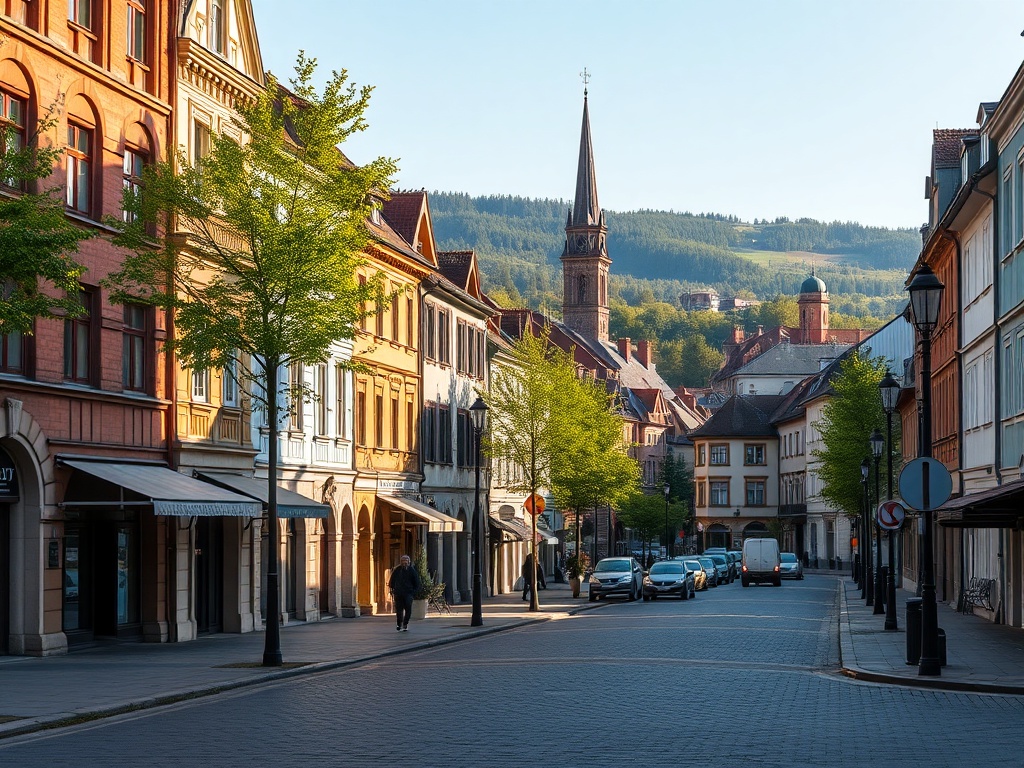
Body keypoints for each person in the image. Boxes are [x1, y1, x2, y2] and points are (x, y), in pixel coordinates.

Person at [388, 554, 421, 632]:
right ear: (401, 562)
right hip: (398, 593)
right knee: (399, 610)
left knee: (408, 608)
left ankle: (405, 623)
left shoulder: (412, 571)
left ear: (408, 562)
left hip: (408, 593)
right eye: (403, 561)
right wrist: (392, 589)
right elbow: (392, 580)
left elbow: (417, 582)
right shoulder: (397, 570)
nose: (404, 563)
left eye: (406, 561)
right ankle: (399, 624)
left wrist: (414, 592)